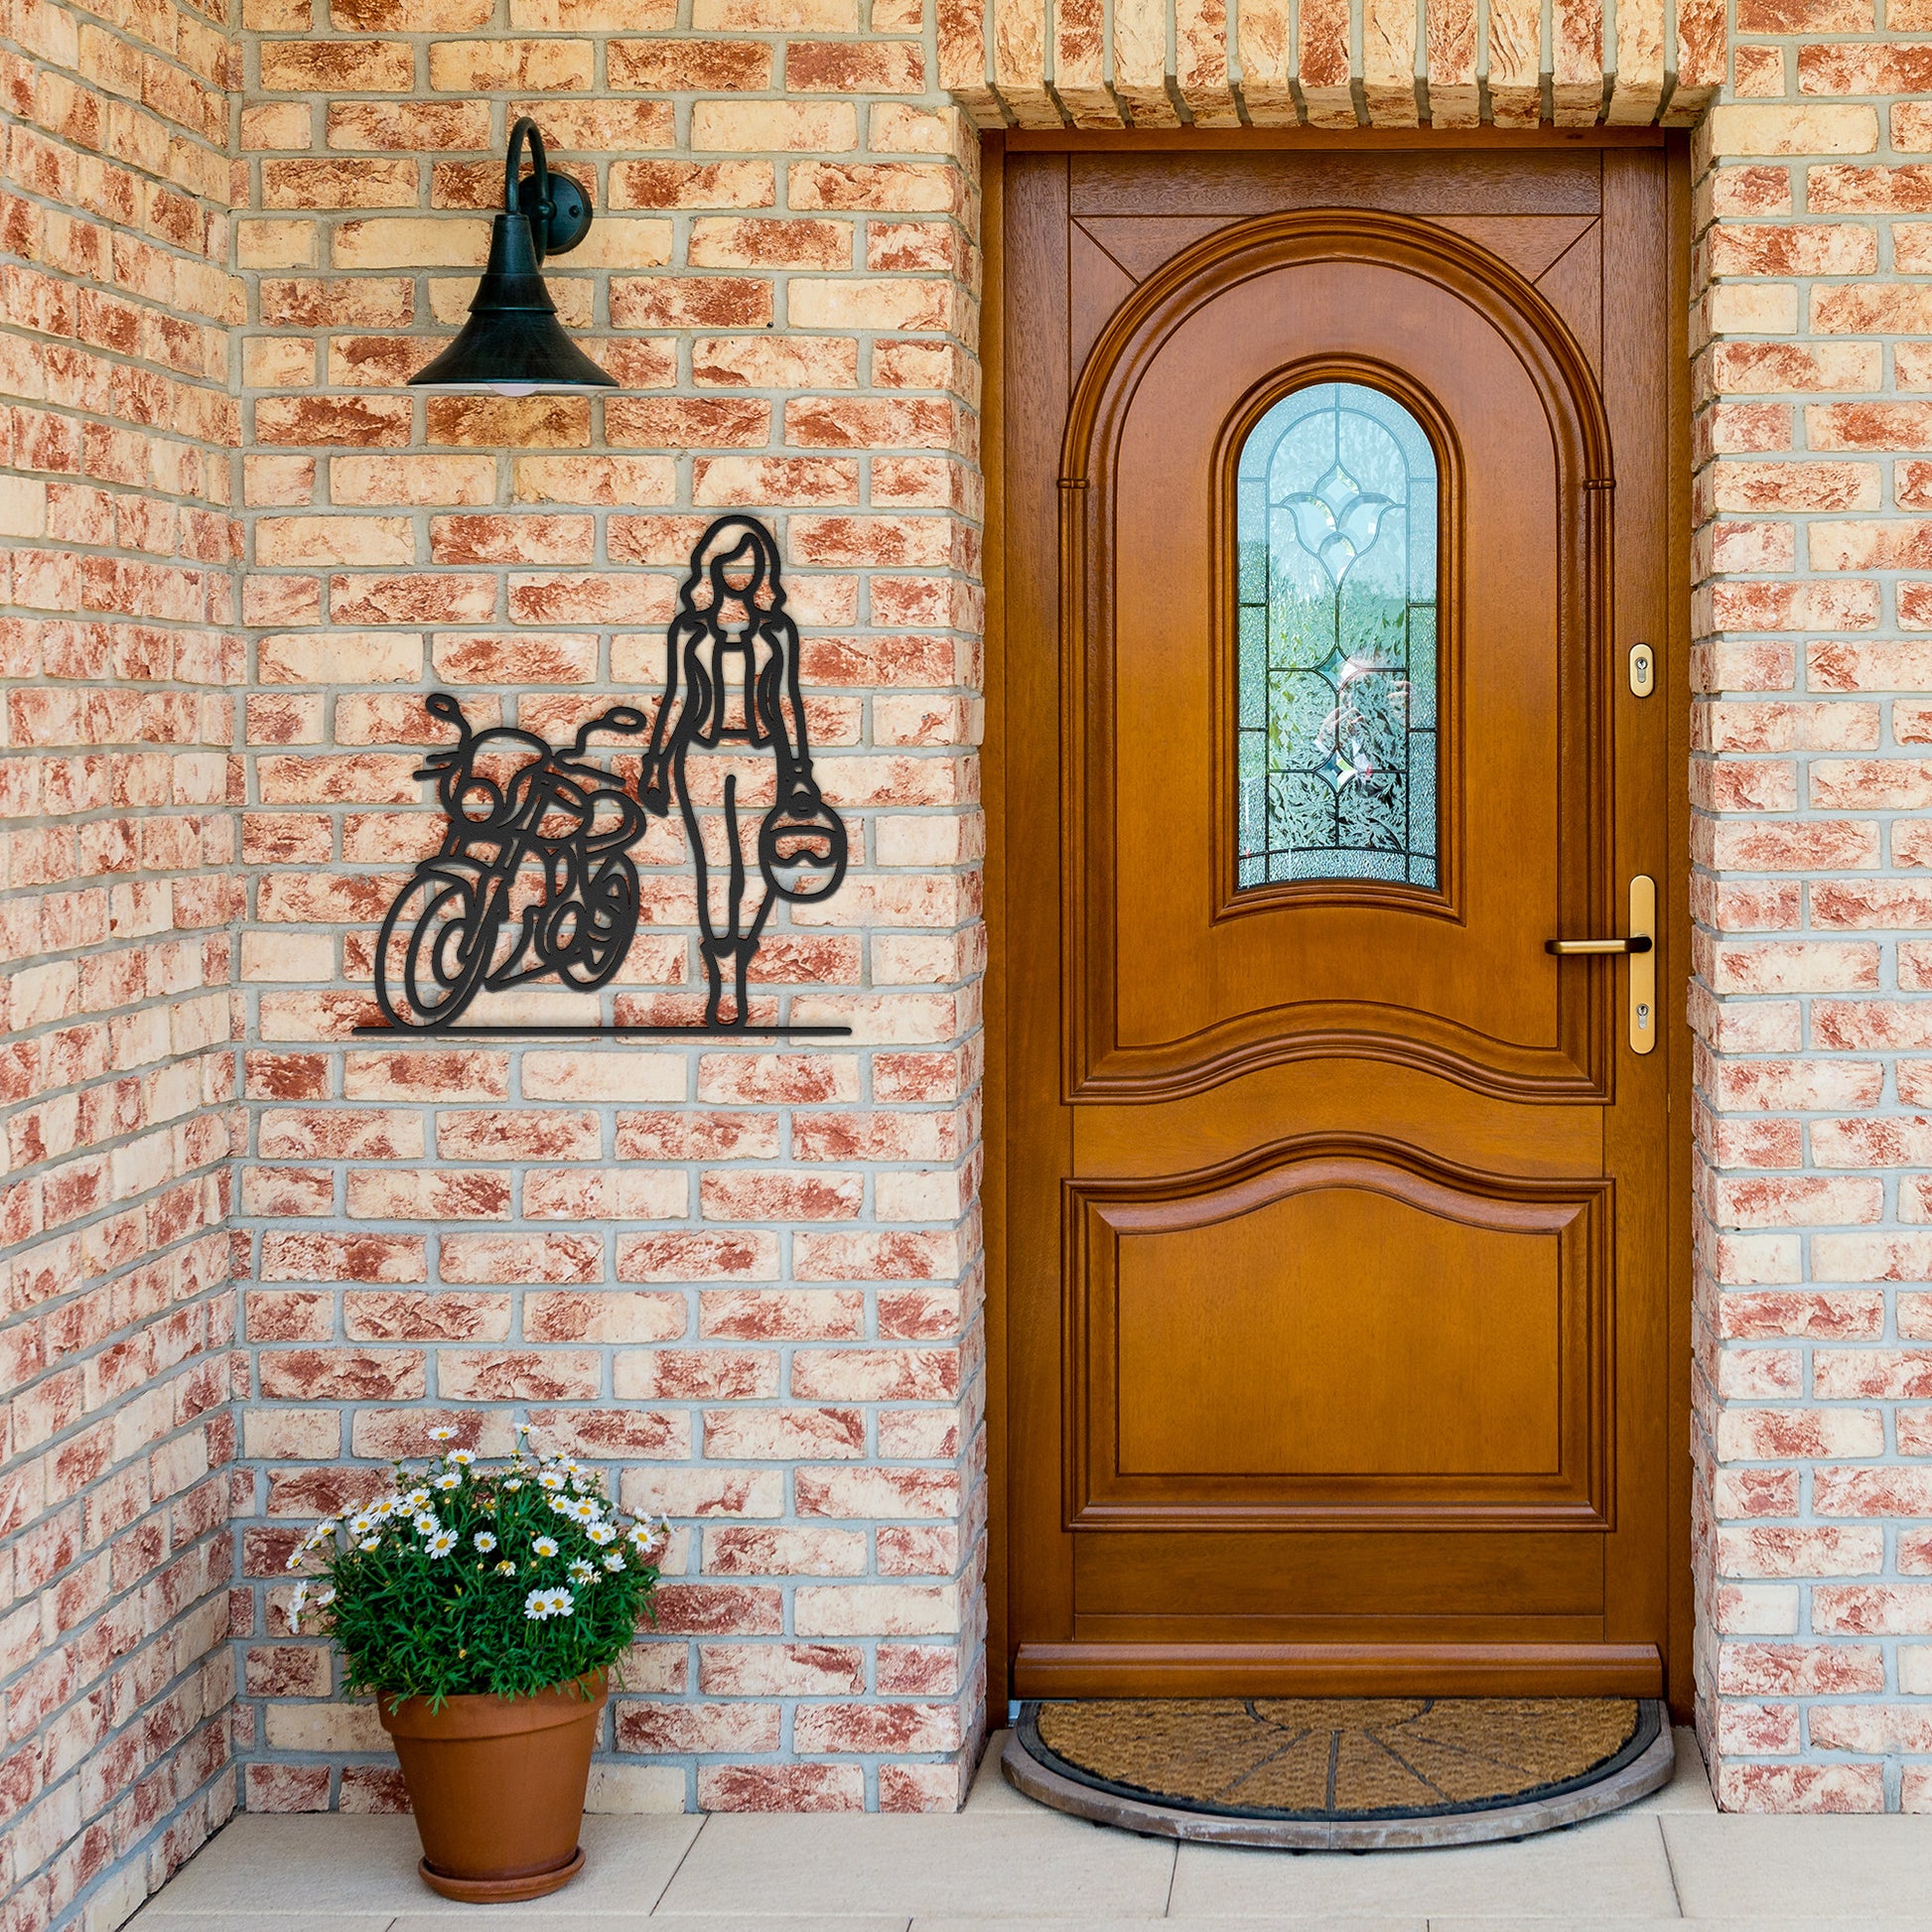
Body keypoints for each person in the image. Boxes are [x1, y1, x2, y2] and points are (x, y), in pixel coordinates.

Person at [638, 516, 845, 1029]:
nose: (740, 572)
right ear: (713, 565)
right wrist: (654, 767)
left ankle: (739, 976)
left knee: (754, 870)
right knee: (713, 869)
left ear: (762, 571)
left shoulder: (778, 632)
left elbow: (788, 702)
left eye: (750, 563)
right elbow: (674, 701)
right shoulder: (689, 631)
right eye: (731, 562)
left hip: (763, 759)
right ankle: (719, 979)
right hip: (699, 758)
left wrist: (801, 769)